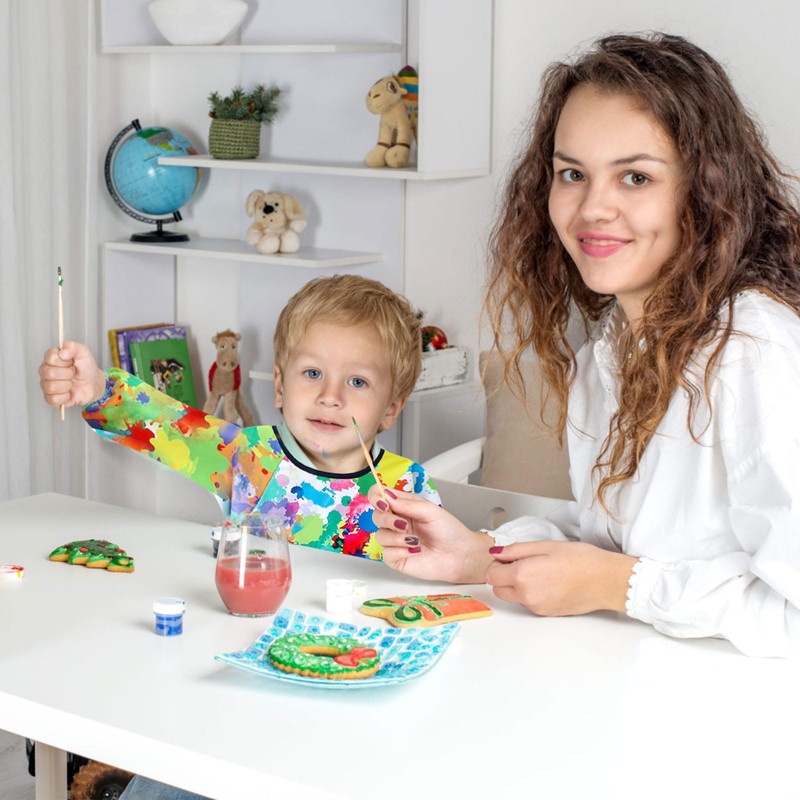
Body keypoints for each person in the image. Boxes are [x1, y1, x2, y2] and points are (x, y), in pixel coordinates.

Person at [369, 32, 800, 658]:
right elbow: (617, 543)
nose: (593, 208)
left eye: (635, 177)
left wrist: (618, 586)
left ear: (706, 189)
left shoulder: (756, 350)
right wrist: (481, 556)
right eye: (572, 174)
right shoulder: (612, 350)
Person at [39, 274, 439, 561]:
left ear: (391, 408)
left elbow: (437, 579)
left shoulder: (408, 488)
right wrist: (98, 388)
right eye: (313, 373)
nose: (330, 397)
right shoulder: (248, 455)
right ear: (280, 385)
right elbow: (165, 424)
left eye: (357, 381)